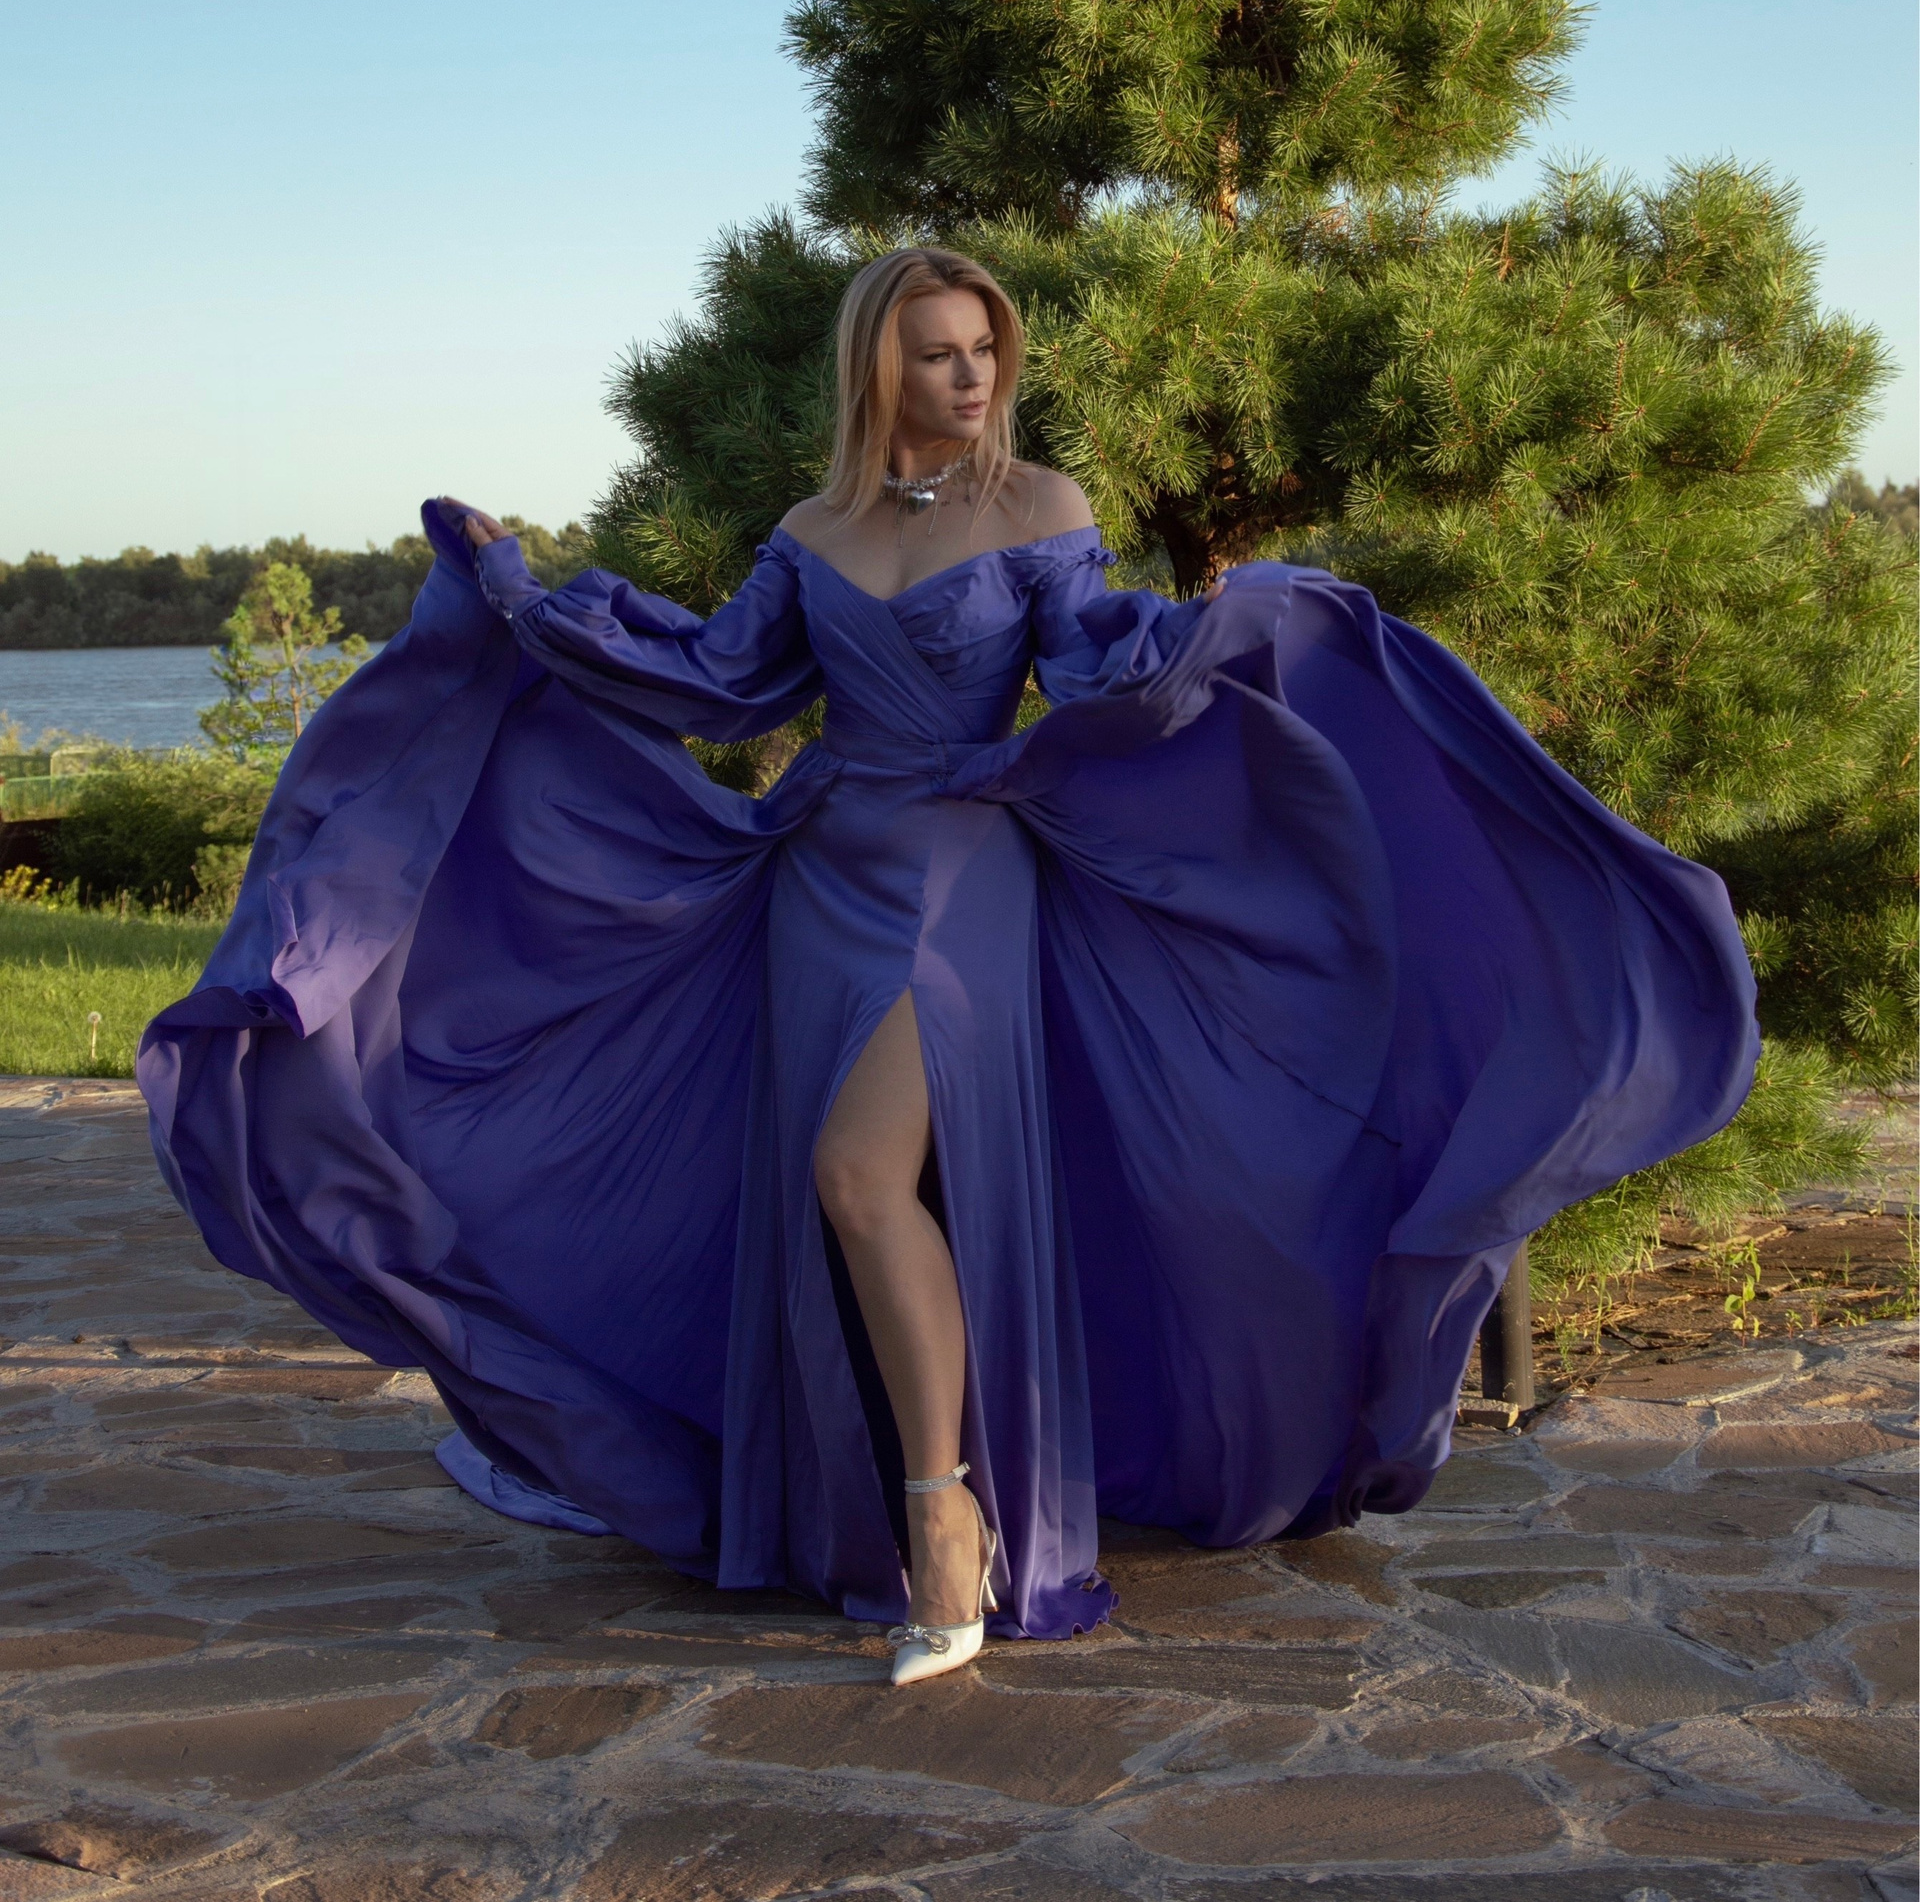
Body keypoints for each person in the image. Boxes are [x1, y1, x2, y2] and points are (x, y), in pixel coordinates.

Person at [140, 247, 1758, 1688]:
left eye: (986, 348)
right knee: (845, 1197)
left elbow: (1100, 663)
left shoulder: (1039, 509)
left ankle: (946, 1523)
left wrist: (1233, 623)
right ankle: (872, 1511)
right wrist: (519, 594)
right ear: (879, 364)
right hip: (820, 870)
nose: (972, 373)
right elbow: (713, 681)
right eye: (939, 350)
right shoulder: (812, 532)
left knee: (861, 1177)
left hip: (968, 869)